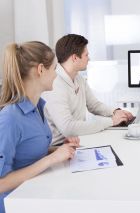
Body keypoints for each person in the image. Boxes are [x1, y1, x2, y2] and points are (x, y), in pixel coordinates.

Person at [0, 41, 80, 213]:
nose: (56, 75)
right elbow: (1, 184)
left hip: (38, 192)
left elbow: (25, 152)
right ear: (41, 70)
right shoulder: (10, 118)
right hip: (16, 205)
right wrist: (52, 158)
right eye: (54, 69)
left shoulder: (38, 107)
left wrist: (58, 149)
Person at [42, 34, 133, 146]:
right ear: (75, 58)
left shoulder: (78, 78)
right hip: (60, 147)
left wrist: (115, 112)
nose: (88, 58)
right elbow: (68, 128)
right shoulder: (54, 84)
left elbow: (93, 105)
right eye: (86, 55)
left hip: (79, 139)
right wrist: (111, 121)